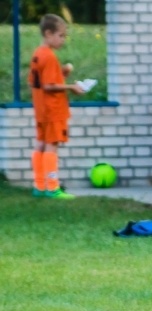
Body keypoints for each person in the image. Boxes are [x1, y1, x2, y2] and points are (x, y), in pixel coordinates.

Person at [28, 13, 85, 199]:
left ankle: (39, 185)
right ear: (48, 33)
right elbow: (49, 86)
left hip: (41, 109)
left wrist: (62, 74)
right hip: (53, 109)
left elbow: (39, 82)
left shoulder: (38, 54)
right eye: (61, 35)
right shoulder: (50, 56)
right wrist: (72, 87)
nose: (63, 40)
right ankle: (53, 187)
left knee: (41, 144)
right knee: (52, 145)